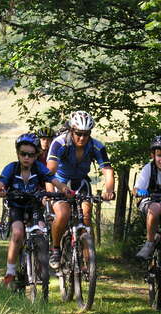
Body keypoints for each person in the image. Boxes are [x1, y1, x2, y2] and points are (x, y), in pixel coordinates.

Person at [0, 133, 72, 288]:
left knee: (42, 231)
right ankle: (10, 272)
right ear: (18, 154)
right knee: (18, 233)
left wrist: (64, 189)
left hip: (34, 206)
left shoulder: (39, 167)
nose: (27, 158)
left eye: (31, 155)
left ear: (36, 156)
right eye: (23, 154)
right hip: (17, 207)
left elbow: (53, 180)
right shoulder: (11, 168)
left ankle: (41, 267)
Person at [46, 111, 115, 269]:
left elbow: (108, 170)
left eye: (86, 134)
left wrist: (109, 190)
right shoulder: (59, 143)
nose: (82, 138)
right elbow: (49, 171)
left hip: (81, 183)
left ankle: (87, 263)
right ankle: (56, 249)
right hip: (60, 183)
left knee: (86, 218)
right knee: (63, 214)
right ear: (71, 130)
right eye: (78, 134)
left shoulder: (96, 146)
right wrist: (52, 192)